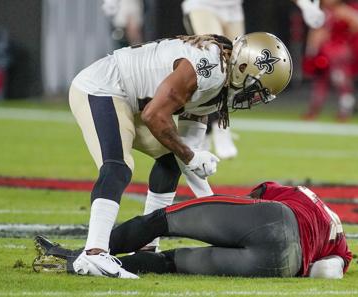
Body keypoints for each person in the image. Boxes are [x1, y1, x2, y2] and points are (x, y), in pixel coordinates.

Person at [67, 32, 293, 278]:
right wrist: (191, 157)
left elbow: (186, 152)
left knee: (170, 162)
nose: (254, 99)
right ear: (242, 66)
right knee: (117, 166)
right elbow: (155, 116)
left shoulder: (221, 82)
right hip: (103, 87)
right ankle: (94, 253)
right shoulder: (208, 67)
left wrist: (213, 203)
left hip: (131, 102)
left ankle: (147, 245)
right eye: (257, 89)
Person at [33, 181, 352, 278]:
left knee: (161, 221)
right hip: (284, 266)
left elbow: (252, 199)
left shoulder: (292, 192)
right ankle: (82, 268)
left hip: (277, 218)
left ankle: (83, 253)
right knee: (171, 263)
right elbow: (328, 273)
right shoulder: (339, 241)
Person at [181, 0, 325, 159]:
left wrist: (305, 5)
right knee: (216, 59)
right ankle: (218, 126)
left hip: (233, 9)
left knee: (236, 67)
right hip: (203, 5)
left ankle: (209, 127)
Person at [302, 0, 358, 121]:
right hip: (323, 53)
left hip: (338, 53)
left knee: (342, 82)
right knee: (320, 83)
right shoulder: (321, 12)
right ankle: (313, 110)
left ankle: (345, 112)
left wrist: (343, 36)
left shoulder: (343, 10)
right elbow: (315, 33)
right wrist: (311, 51)